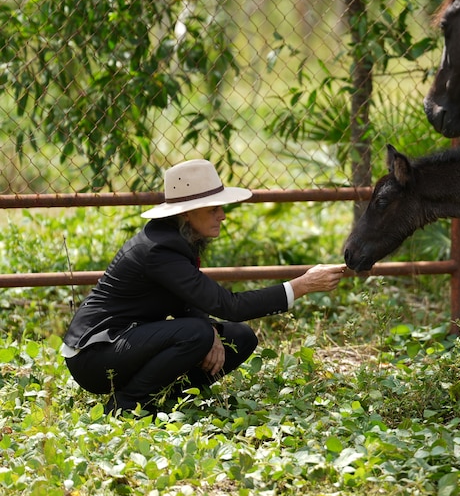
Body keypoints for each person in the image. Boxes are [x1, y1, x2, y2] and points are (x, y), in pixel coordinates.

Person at [61, 159, 345, 414]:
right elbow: (229, 306)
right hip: (95, 356)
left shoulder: (176, 238)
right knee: (196, 333)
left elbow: (189, 299)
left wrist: (211, 331)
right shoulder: (159, 250)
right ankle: (126, 406)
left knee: (240, 337)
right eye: (213, 209)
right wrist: (301, 285)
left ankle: (172, 399)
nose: (222, 215)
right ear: (186, 213)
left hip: (127, 343)